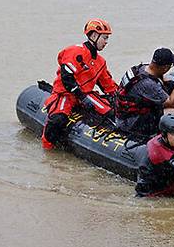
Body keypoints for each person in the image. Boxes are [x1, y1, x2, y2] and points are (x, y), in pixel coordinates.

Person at [41, 18, 118, 150]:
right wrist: (81, 97)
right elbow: (67, 78)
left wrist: (121, 97)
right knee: (57, 120)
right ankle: (47, 148)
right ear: (94, 35)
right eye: (104, 38)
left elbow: (109, 86)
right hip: (65, 93)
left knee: (110, 113)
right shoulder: (76, 52)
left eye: (107, 39)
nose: (106, 42)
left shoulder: (100, 62)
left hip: (86, 94)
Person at [115, 48, 174, 137]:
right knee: (172, 112)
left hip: (127, 113)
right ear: (164, 67)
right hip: (129, 123)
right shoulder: (147, 83)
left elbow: (161, 79)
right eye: (171, 65)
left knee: (171, 85)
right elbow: (171, 103)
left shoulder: (143, 68)